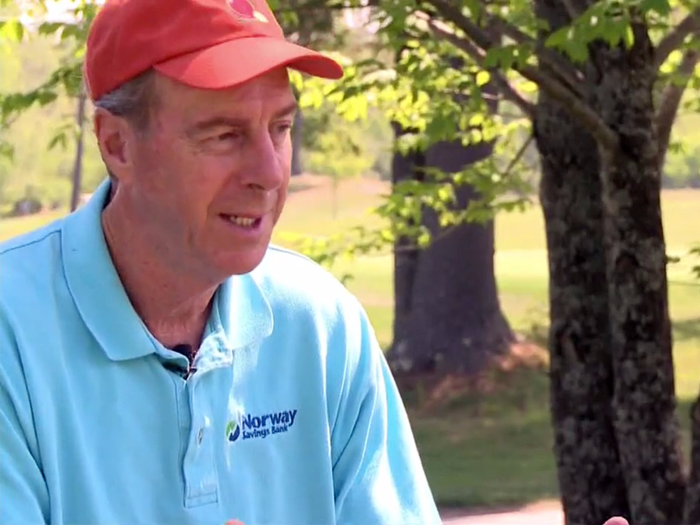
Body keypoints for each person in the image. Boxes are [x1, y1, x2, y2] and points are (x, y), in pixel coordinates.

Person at [0, 1, 632, 525]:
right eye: (223, 135)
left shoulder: (319, 322)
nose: (271, 173)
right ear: (117, 144)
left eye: (279, 127)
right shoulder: (13, 330)